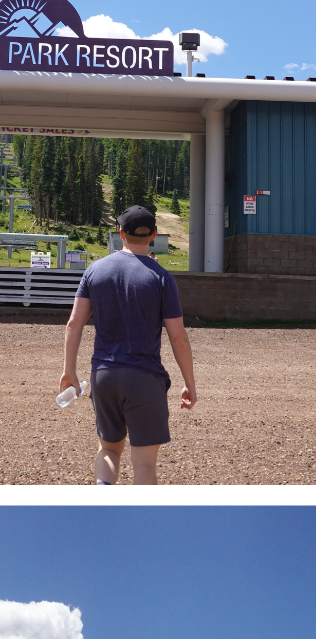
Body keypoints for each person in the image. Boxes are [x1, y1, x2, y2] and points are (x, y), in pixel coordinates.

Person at [61, 204, 196, 486]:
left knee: (109, 450)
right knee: (144, 463)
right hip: (145, 377)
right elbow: (179, 339)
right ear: (154, 236)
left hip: (104, 375)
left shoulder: (95, 271)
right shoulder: (162, 278)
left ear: (120, 233)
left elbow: (74, 324)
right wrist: (189, 383)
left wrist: (69, 372)